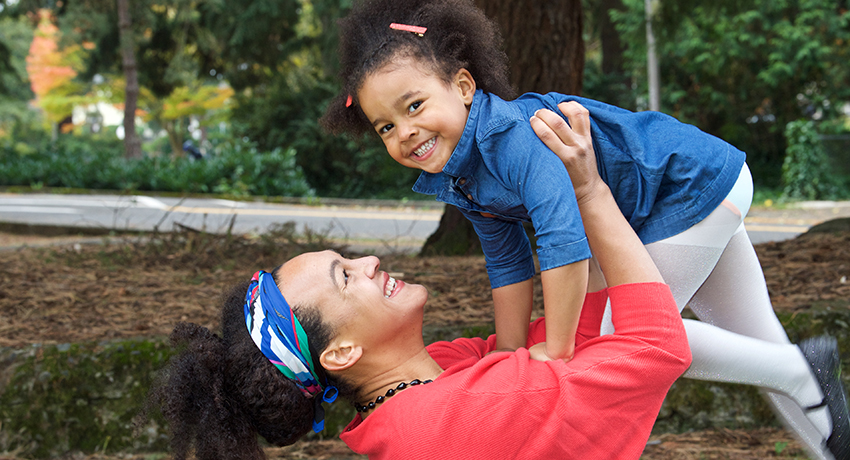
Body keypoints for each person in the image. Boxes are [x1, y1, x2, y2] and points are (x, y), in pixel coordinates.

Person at [318, 1, 850, 458]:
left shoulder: (517, 138)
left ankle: (800, 365)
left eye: (414, 106)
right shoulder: (465, 175)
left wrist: (559, 346)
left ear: (462, 85)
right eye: (387, 126)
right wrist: (507, 351)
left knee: (617, 334)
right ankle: (818, 409)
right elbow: (507, 262)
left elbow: (562, 240)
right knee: (762, 348)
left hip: (688, 188)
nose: (406, 132)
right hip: (653, 212)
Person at [149, 135, 693, 459]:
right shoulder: (466, 412)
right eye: (346, 276)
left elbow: (575, 337)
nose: (370, 263)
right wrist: (589, 191)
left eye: (348, 257)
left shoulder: (432, 379)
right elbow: (654, 346)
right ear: (340, 354)